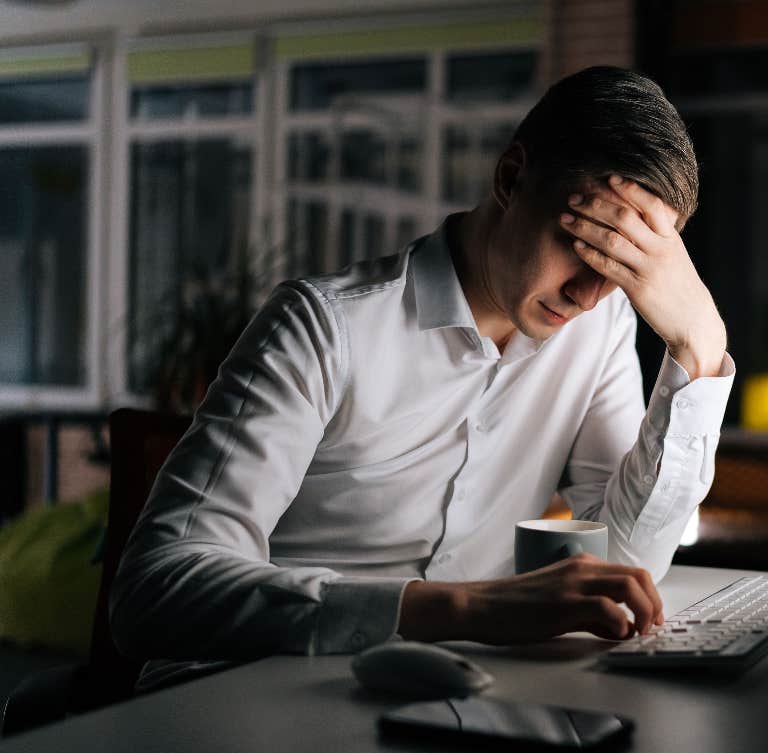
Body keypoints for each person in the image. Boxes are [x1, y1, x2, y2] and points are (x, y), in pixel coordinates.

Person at [110, 66, 734, 664]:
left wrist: (700, 343)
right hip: (259, 690)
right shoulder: (323, 327)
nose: (588, 294)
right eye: (586, 242)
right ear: (512, 178)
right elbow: (155, 593)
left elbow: (625, 567)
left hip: (458, 697)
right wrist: (464, 610)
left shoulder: (597, 332)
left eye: (627, 266)